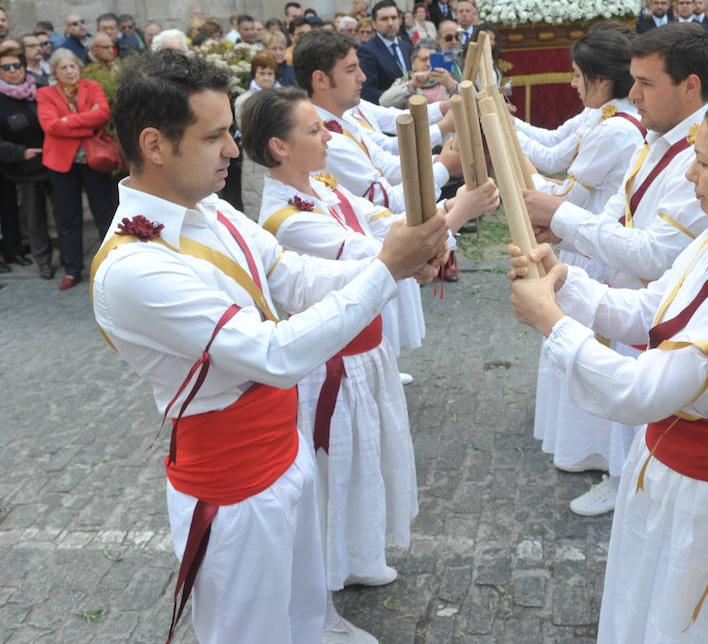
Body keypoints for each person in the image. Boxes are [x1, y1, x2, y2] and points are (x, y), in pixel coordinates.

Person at [91, 49, 449, 644]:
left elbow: (297, 278)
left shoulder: (209, 210)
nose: (234, 150)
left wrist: (395, 266)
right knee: (249, 627)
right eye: (214, 138)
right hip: (230, 482)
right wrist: (386, 270)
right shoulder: (134, 264)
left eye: (229, 133)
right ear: (154, 145)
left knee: (304, 599)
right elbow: (274, 354)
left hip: (285, 443)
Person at [509, 76, 708, 643]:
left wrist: (549, 322)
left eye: (701, 164)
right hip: (679, 484)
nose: (687, 175)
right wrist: (566, 286)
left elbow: (644, 390)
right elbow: (654, 312)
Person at [244, 88, 497, 612]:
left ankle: (356, 554)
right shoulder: (284, 219)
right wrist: (454, 216)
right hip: (329, 361)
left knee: (366, 455)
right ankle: (324, 578)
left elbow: (386, 225)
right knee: (335, 464)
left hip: (366, 347)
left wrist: (437, 218)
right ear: (279, 147)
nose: (328, 135)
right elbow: (373, 257)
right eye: (313, 130)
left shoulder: (322, 186)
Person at [523, 23, 708, 516]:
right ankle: (623, 470)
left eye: (646, 84)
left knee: (643, 392)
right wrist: (563, 232)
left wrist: (560, 215)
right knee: (625, 389)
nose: (632, 95)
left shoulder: (704, 149)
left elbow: (657, 252)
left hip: (666, 298)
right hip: (635, 290)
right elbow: (618, 207)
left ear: (690, 86)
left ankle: (631, 477)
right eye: (632, 80)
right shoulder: (658, 137)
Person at [519, 28, 645, 476]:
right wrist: (498, 123)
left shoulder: (614, 128)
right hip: (584, 238)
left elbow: (564, 197)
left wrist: (521, 178)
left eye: (578, 76)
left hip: (592, 249)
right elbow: (551, 147)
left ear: (602, 80)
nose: (571, 84)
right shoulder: (602, 116)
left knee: (587, 348)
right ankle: (586, 448)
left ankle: (605, 458)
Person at [296, 30, 461, 214]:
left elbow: (387, 162)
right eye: (351, 70)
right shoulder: (328, 141)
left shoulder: (345, 115)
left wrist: (439, 158)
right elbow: (388, 203)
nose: (362, 77)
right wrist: (443, 166)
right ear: (320, 80)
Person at [36, 48, 116, 290]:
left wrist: (68, 121)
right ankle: (72, 269)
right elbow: (50, 126)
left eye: (72, 66)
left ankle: (111, 264)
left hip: (95, 160)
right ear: (55, 72)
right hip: (62, 163)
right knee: (69, 217)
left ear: (79, 68)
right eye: (63, 68)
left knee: (104, 212)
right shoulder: (45, 93)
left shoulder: (92, 87)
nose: (69, 71)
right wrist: (86, 124)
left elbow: (103, 114)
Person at [0, 44, 56, 278]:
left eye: (17, 65)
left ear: (24, 67)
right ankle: (43, 260)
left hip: (55, 162)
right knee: (35, 219)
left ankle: (71, 258)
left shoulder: (42, 89)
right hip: (25, 168)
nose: (13, 70)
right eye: (6, 67)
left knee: (65, 214)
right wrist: (19, 152)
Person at [234, 51, 280, 220]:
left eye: (270, 73)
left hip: (281, 162)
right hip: (255, 163)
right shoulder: (243, 100)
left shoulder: (285, 98)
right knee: (257, 212)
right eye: (262, 73)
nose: (266, 78)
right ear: (254, 73)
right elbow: (249, 130)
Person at [357, 0, 413, 104]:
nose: (390, 23)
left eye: (394, 18)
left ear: (400, 21)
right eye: (384, 19)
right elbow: (368, 93)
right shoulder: (367, 51)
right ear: (374, 23)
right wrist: (402, 94)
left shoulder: (406, 46)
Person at [378, 38, 458, 110]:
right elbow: (383, 103)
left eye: (433, 60)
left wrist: (452, 87)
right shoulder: (404, 82)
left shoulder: (446, 80)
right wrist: (412, 85)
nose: (428, 64)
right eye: (423, 59)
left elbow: (466, 105)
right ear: (412, 62)